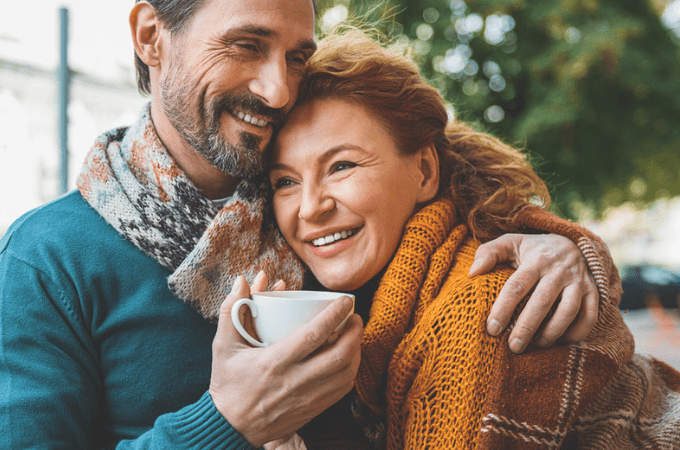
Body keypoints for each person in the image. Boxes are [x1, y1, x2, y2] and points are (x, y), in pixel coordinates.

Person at [0, 1, 608, 448]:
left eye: (296, 57)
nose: (278, 89)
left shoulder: (321, 221)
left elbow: (453, 183)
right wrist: (224, 423)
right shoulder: (48, 257)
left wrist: (561, 247)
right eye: (246, 45)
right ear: (152, 37)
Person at [227, 29, 679, 449]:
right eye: (285, 182)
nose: (309, 208)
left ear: (424, 170)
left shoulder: (476, 310)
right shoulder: (367, 294)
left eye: (342, 166)